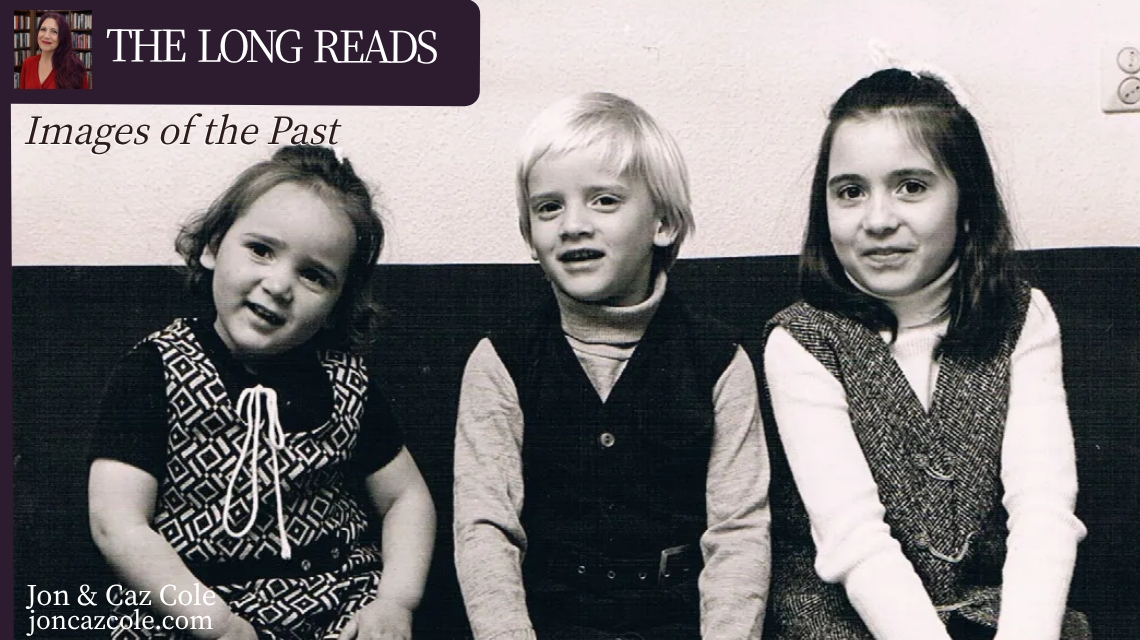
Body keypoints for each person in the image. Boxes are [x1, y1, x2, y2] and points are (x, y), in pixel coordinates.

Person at [761, 68, 1087, 640]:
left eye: (911, 186)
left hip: (994, 612)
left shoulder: (1022, 317)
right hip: (847, 618)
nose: (879, 220)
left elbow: (1044, 512)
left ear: (966, 202)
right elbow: (854, 539)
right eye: (850, 191)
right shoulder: (801, 341)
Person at [453, 92, 771, 640]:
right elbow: (485, 528)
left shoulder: (720, 361)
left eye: (604, 200)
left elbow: (739, 532)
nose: (573, 225)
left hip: (680, 621)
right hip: (546, 621)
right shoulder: (500, 360)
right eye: (549, 207)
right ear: (529, 235)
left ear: (664, 224)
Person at [88, 145, 436, 640]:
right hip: (195, 610)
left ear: (339, 305)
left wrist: (395, 602)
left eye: (313, 275)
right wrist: (215, 623)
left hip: (336, 603)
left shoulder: (347, 382)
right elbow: (117, 523)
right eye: (261, 250)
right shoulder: (155, 370)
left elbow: (406, 497)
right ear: (212, 246)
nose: (278, 285)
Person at [19, 11, 88, 89]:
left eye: (54, 31)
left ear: (62, 38)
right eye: (43, 29)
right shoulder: (28, 63)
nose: (46, 36)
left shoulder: (75, 67)